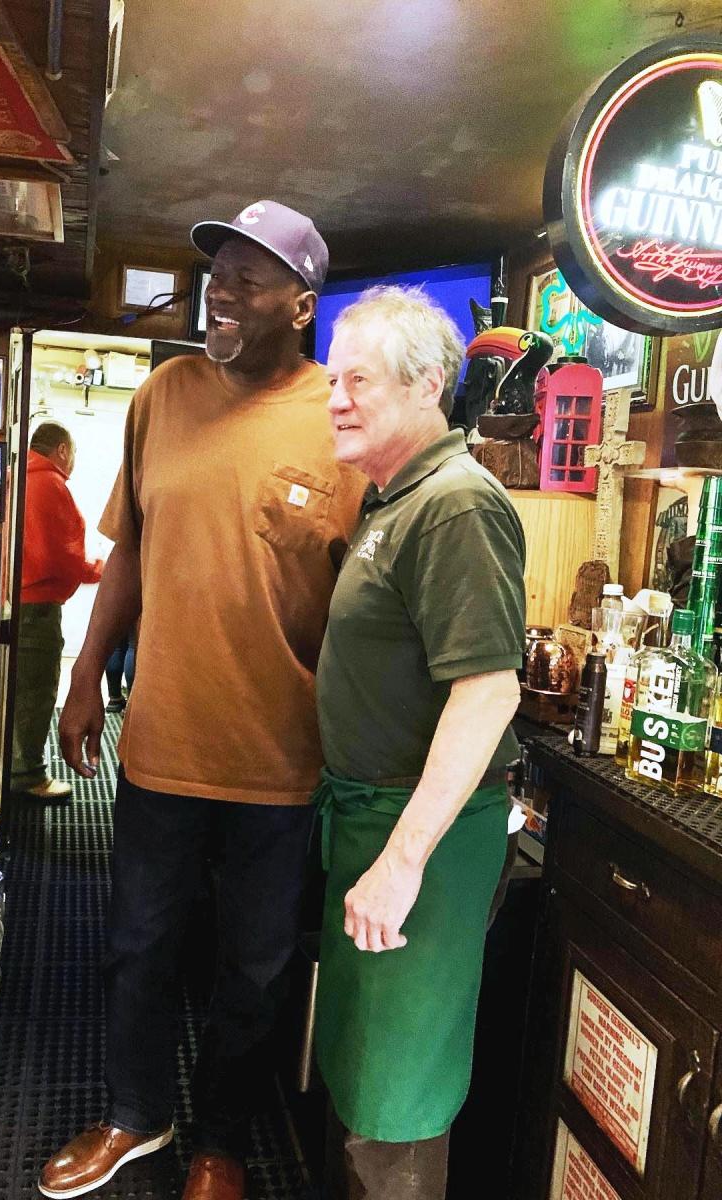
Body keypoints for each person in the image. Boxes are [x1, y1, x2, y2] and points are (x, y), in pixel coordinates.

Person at [43, 201, 365, 1200]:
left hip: (278, 758)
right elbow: (130, 547)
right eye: (214, 273)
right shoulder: (164, 394)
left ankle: (221, 1136)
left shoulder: (343, 422)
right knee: (138, 942)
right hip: (163, 741)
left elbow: (365, 597)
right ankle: (136, 1115)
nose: (218, 292)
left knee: (254, 968)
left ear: (301, 306)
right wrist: (86, 672)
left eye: (248, 279)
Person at [314, 285, 526, 1199]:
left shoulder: (455, 506)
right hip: (370, 820)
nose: (335, 399)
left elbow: (486, 694)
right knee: (365, 1077)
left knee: (397, 1097)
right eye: (333, 379)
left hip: (419, 842)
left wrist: (402, 863)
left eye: (358, 379)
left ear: (427, 385)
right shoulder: (395, 501)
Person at [11, 421, 103, 799]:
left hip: (10, 603)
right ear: (62, 450)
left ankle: (11, 767)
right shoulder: (50, 484)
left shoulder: (15, 476)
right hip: (37, 608)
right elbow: (62, 556)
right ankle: (26, 775)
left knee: (14, 692)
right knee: (35, 692)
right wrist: (99, 570)